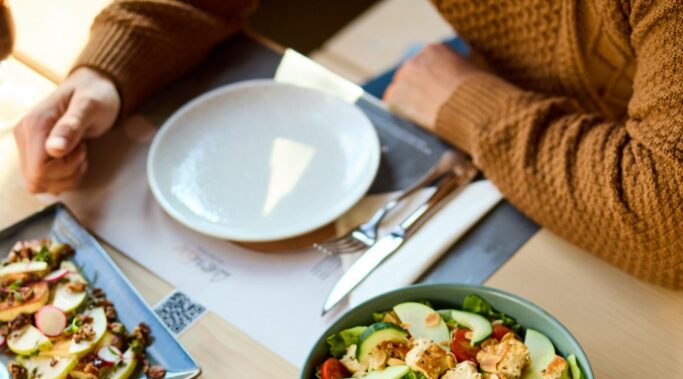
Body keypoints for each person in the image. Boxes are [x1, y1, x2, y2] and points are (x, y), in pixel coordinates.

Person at [13, 0, 682, 288]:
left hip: (624, 175)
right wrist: (106, 71)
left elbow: (666, 218)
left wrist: (462, 103)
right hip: (496, 93)